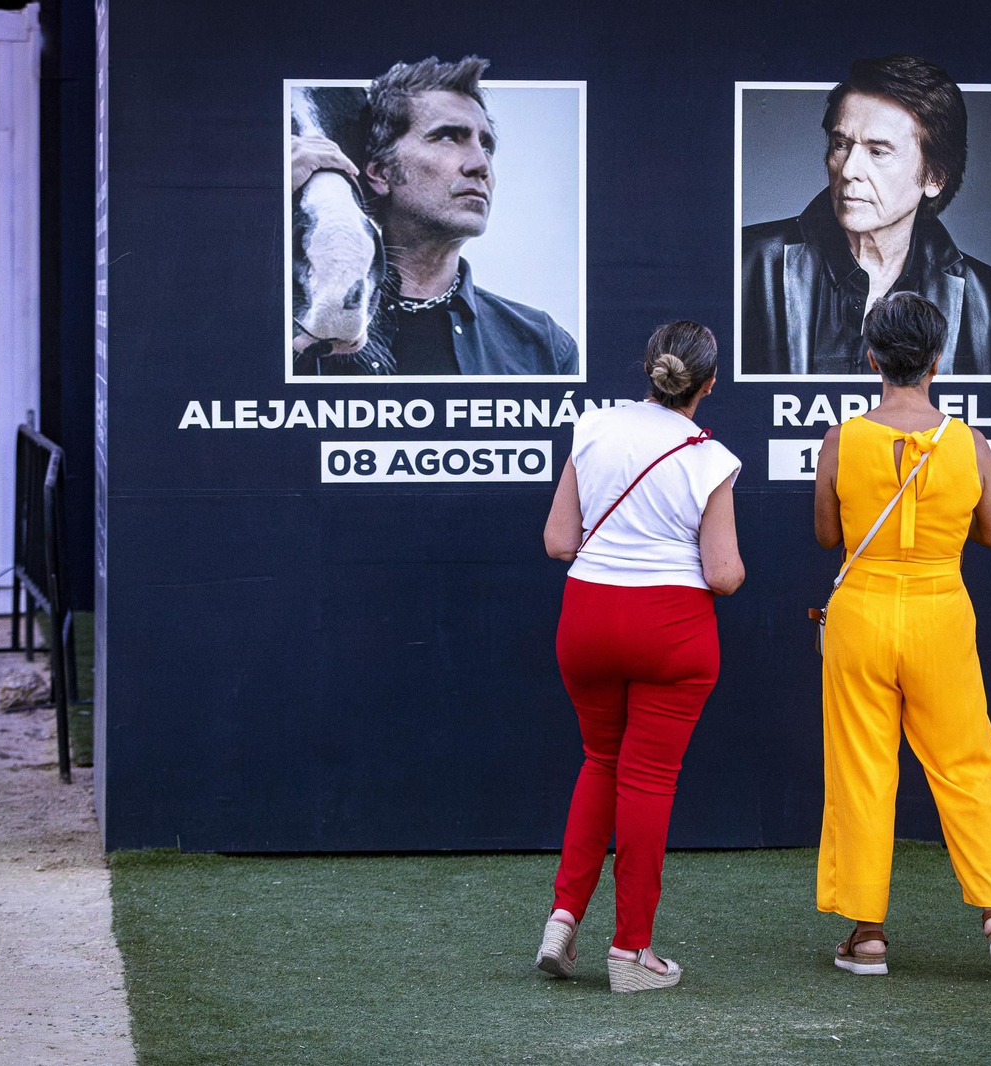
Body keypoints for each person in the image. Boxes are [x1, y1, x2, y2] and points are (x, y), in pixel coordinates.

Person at [811, 292, 991, 978]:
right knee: (968, 764)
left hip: (861, 614)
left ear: (872, 360)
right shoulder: (971, 444)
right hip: (941, 613)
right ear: (937, 361)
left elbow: (828, 535)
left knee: (863, 769)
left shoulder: (840, 440)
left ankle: (866, 937)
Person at [533, 321, 744, 993]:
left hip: (588, 618)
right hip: (671, 629)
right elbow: (724, 574)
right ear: (708, 385)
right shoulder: (711, 458)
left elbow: (559, 540)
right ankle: (631, 954)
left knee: (600, 760)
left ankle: (562, 922)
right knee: (648, 780)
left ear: (648, 368)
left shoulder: (591, 428)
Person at [290, 56, 579, 376]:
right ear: (380, 172)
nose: (480, 166)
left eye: (486, 146)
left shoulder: (543, 347)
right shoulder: (290, 322)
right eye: (447, 136)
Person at [741, 54, 991, 376]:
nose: (849, 170)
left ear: (935, 177)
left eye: (878, 152)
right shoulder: (749, 261)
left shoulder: (985, 296)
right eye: (841, 144)